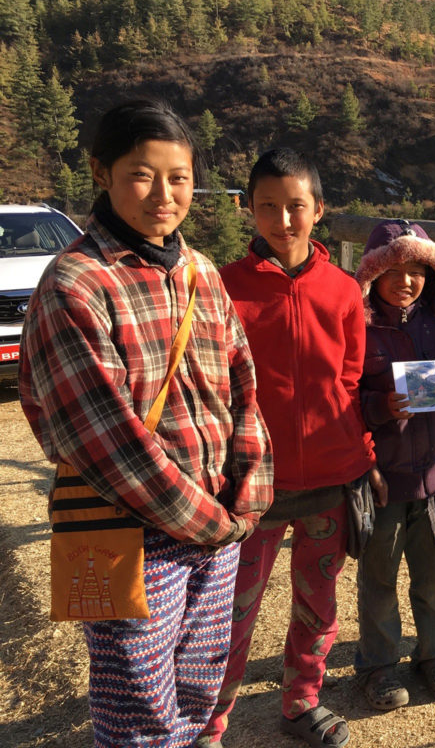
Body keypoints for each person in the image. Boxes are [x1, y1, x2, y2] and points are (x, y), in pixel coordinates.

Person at [18, 98, 274, 747]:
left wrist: (250, 487)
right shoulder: (74, 285)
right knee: (134, 701)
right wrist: (214, 521)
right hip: (120, 529)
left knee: (198, 682)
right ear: (101, 172)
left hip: (217, 523)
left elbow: (243, 383)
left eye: (180, 176)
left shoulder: (201, 274)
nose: (165, 194)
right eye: (142, 174)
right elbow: (104, 440)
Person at [197, 148, 383, 748]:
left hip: (332, 477)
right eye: (268, 207)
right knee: (231, 611)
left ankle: (301, 701)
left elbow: (351, 381)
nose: (283, 220)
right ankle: (209, 721)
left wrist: (366, 458)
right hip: (251, 485)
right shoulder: (224, 288)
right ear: (248, 210)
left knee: (318, 603)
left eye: (295, 207)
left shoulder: (343, 290)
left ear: (319, 210)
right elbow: (211, 386)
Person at [353, 219, 435, 710]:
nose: (406, 280)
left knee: (432, 575)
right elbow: (345, 399)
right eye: (394, 269)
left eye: (417, 269)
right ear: (374, 274)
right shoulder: (358, 330)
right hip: (386, 477)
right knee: (379, 577)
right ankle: (379, 666)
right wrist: (382, 407)